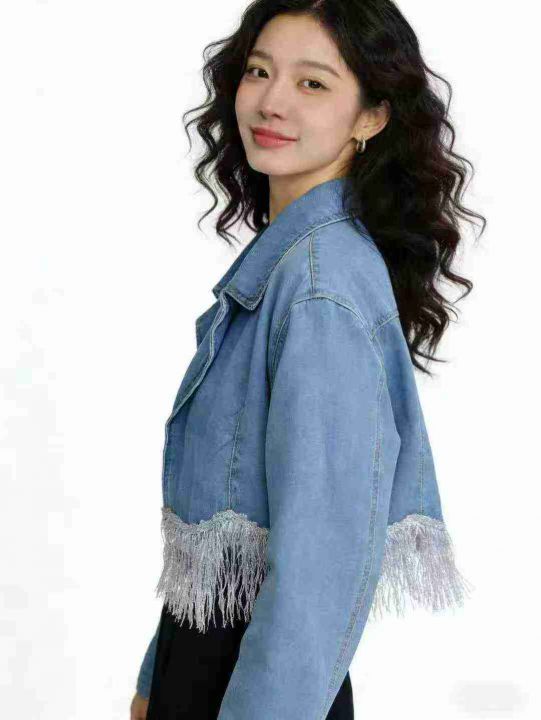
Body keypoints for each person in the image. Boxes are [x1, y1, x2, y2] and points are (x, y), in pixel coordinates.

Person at [130, 1, 484, 718]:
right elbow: (227, 542)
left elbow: (321, 565)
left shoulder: (319, 287)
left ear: (371, 116)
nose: (272, 101)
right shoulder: (293, 261)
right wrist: (154, 678)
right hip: (208, 672)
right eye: (259, 72)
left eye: (313, 83)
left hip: (257, 691)